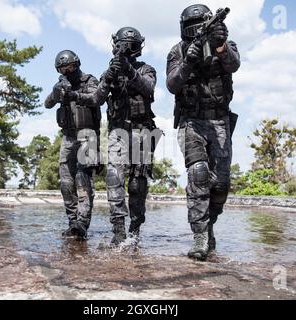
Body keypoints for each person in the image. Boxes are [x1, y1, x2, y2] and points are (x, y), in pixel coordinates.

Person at [166, 4, 240, 261]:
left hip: (219, 122)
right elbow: (173, 84)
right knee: (198, 174)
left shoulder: (225, 43)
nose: (197, 30)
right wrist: (188, 62)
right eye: (192, 26)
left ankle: (208, 226)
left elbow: (234, 65)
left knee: (220, 185)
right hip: (191, 123)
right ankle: (199, 237)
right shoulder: (176, 51)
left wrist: (220, 46)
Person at [73, 27, 159, 245]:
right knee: (114, 178)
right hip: (118, 132)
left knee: (138, 185)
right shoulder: (110, 71)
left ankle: (135, 229)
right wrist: (110, 76)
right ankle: (119, 230)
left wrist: (129, 70)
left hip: (142, 131)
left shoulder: (147, 69)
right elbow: (97, 99)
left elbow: (148, 88)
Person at [44, 50, 102, 241]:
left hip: (88, 136)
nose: (67, 71)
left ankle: (82, 223)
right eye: (62, 68)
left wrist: (74, 94)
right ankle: (73, 224)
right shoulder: (60, 84)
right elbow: (47, 103)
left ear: (77, 64)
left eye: (70, 67)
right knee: (66, 183)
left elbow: (97, 97)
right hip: (68, 138)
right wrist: (57, 92)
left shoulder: (89, 81)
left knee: (83, 180)